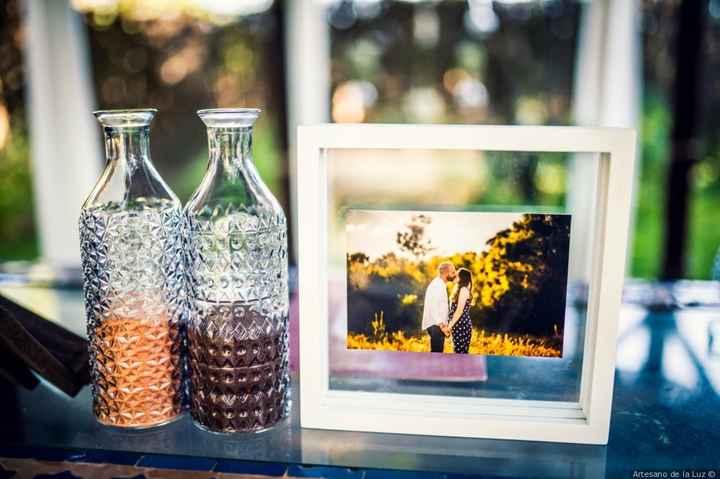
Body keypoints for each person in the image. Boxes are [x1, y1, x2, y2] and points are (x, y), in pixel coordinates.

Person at [421, 262, 456, 353]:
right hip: (436, 326)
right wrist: (442, 325)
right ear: (445, 273)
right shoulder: (437, 285)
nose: (455, 274)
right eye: (453, 272)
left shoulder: (440, 284)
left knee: (437, 353)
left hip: (438, 326)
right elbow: (433, 307)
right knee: (437, 354)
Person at [448, 268, 473, 354]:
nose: (455, 277)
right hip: (457, 325)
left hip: (462, 325)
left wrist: (449, 326)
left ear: (462, 278)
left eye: (457, 275)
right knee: (457, 352)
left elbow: (459, 311)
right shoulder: (459, 289)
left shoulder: (464, 290)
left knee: (460, 353)